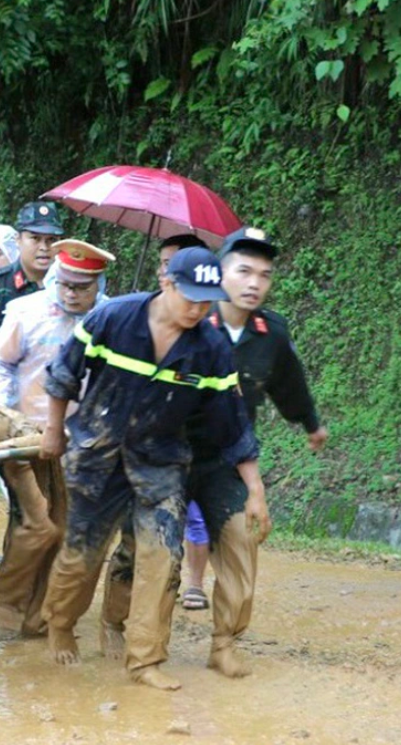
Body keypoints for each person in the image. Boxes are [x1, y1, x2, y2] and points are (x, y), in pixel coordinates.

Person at [102, 227, 327, 678]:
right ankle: (119, 624)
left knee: (243, 539)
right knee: (145, 547)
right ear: (218, 272)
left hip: (223, 459)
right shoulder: (182, 320)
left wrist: (309, 423)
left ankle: (224, 642)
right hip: (164, 455)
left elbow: (288, 382)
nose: (254, 283)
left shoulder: (270, 333)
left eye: (263, 275)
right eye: (243, 270)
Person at [39, 247, 264, 691]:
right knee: (81, 557)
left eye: (208, 299)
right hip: (98, 456)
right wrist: (52, 430)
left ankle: (145, 659)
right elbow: (64, 373)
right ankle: (60, 622)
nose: (199, 308)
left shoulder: (211, 347)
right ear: (167, 283)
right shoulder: (115, 318)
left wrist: (253, 488)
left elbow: (232, 423)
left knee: (162, 555)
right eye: (190, 297)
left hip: (161, 463)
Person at [0, 240, 114, 636]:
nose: (72, 293)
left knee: (69, 528)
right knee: (35, 523)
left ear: (98, 284)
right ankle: (10, 598)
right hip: (27, 434)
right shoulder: (27, 312)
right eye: (66, 284)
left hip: (82, 442)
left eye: (82, 287)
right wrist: (9, 414)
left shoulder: (111, 319)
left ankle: (43, 615)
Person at [151, 233, 213, 609]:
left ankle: (192, 583)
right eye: (163, 263)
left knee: (193, 514)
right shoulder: (131, 317)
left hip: (189, 438)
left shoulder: (207, 329)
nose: (167, 269)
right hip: (141, 439)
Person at [0, 201, 64, 350]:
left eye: (51, 240)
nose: (44, 247)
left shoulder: (70, 285)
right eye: (35, 238)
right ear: (18, 240)